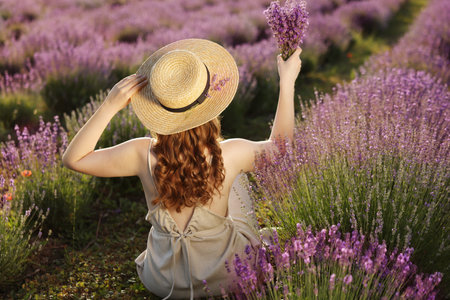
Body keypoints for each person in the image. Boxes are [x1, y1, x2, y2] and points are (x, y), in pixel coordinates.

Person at [62, 38, 302, 299]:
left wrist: (109, 106)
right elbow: (281, 149)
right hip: (229, 276)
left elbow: (74, 159)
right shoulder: (229, 153)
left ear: (158, 105)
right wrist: (286, 82)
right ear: (209, 104)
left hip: (165, 282)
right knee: (234, 179)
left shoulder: (142, 153)